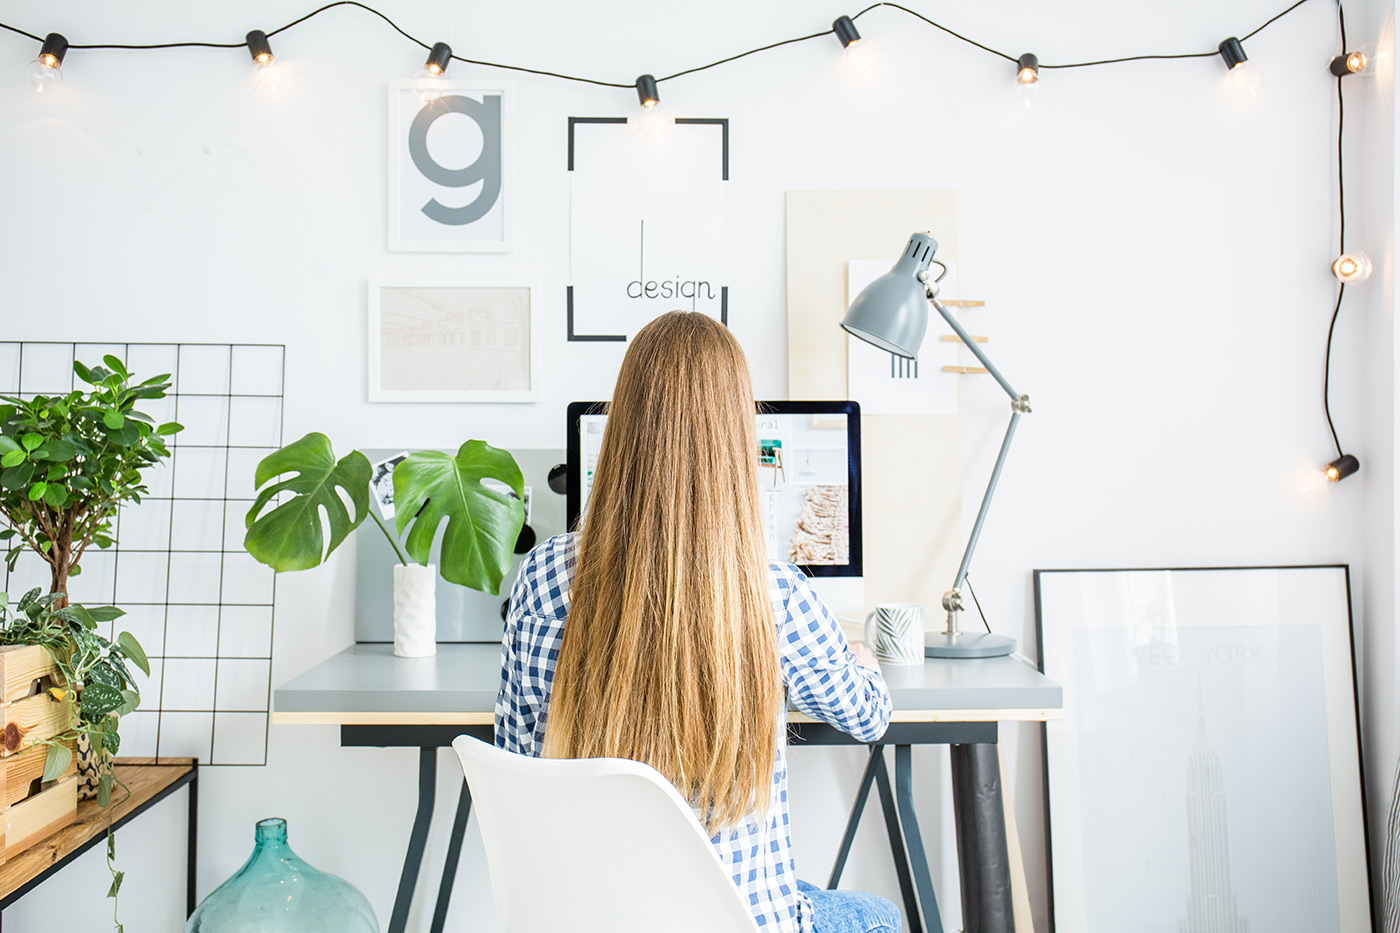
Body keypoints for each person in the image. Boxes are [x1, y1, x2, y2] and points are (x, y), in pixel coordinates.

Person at [495, 311, 898, 933]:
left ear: (622, 426)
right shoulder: (772, 593)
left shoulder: (544, 576)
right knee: (880, 915)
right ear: (736, 436)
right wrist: (862, 661)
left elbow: (517, 752)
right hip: (743, 922)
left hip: (592, 919)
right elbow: (868, 716)